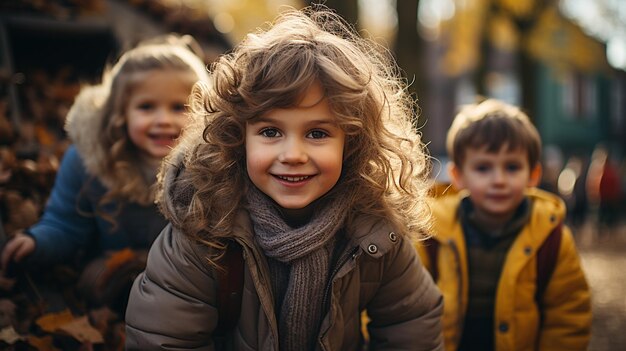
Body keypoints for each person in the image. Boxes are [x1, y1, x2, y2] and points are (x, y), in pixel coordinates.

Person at [125, 6, 444, 351]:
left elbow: (411, 324)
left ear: (352, 143)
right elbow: (165, 338)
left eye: (318, 134)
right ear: (238, 137)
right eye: (271, 131)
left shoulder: (374, 228)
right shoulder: (204, 225)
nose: (293, 155)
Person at [0, 34, 210, 315]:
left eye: (178, 107)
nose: (163, 119)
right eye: (146, 107)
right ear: (121, 113)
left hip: (187, 270)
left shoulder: (210, 165)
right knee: (95, 279)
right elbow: (67, 224)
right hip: (115, 267)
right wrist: (37, 242)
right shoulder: (90, 160)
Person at [417, 99, 592, 350]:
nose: (498, 180)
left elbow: (567, 317)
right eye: (483, 168)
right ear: (458, 176)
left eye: (512, 167)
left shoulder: (551, 237)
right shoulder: (430, 232)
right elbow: (403, 305)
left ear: (533, 175)